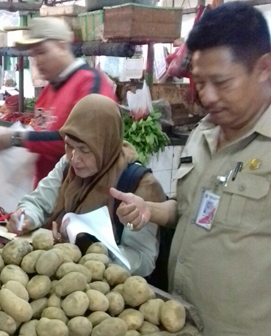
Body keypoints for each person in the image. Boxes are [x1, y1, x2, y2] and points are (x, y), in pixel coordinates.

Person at [112, 3, 271, 335]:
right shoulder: (204, 133)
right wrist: (150, 209)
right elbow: (192, 210)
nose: (207, 96)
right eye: (199, 82)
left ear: (264, 69)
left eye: (221, 82)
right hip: (180, 320)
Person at [7, 94, 166, 276]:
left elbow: (143, 259)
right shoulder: (67, 166)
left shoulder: (139, 185)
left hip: (108, 290)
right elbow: (37, 202)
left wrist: (89, 252)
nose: (75, 158)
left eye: (85, 150)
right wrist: (24, 219)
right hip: (63, 273)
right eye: (69, 146)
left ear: (105, 145)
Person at [0, 18, 116, 187]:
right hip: (48, 195)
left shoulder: (90, 83)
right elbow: (42, 135)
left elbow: (79, 140)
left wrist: (17, 139)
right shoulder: (47, 92)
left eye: (42, 52)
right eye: (33, 55)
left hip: (79, 195)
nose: (37, 62)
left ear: (62, 46)